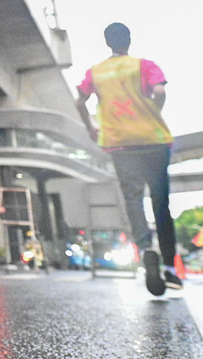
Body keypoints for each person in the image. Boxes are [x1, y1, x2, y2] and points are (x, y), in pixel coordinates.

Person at [77, 23, 180, 297]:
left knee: (133, 199)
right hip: (153, 140)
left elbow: (80, 101)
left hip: (120, 142)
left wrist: (91, 127)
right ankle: (170, 268)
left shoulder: (96, 72)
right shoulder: (144, 65)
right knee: (161, 201)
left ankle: (145, 249)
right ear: (129, 40)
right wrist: (152, 112)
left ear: (107, 42)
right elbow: (160, 92)